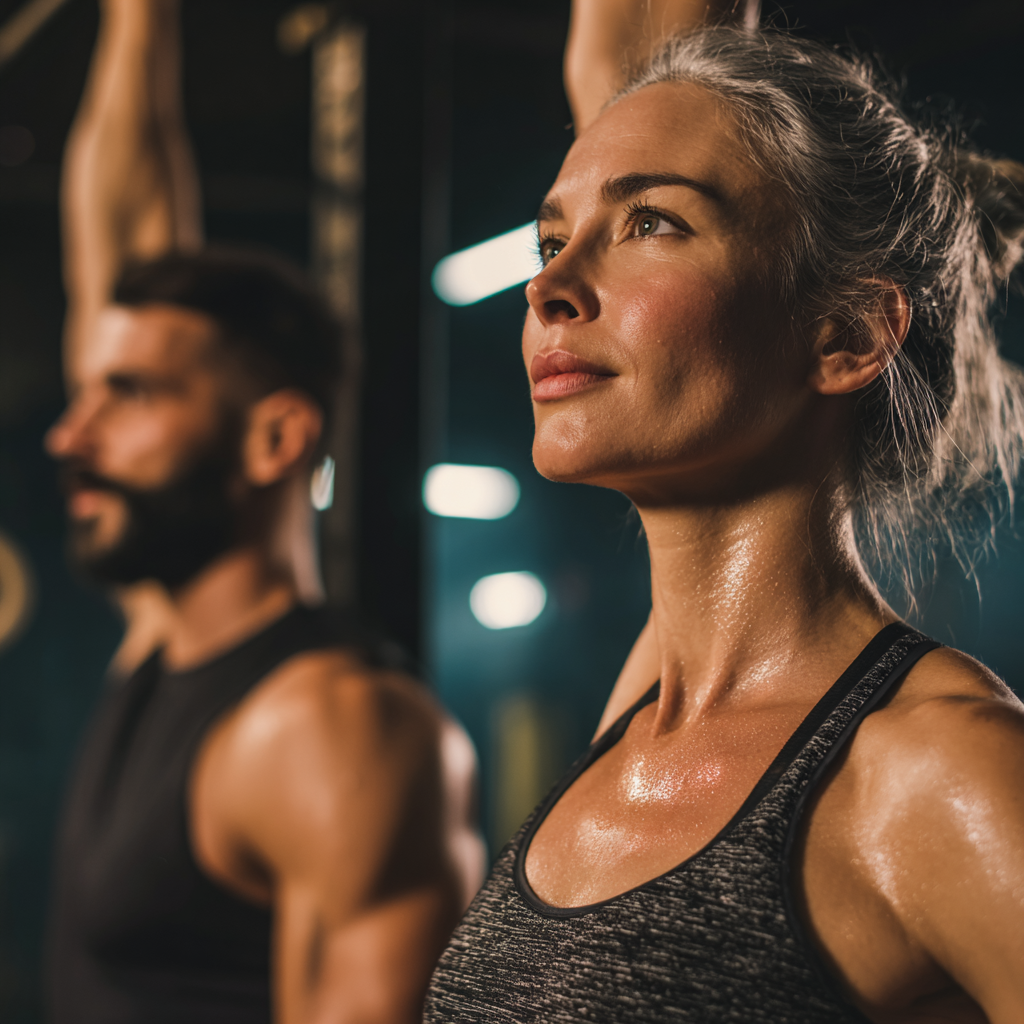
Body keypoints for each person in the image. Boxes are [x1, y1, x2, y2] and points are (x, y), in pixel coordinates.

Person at [424, 2, 1024, 1022]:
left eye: (650, 222)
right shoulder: (643, 713)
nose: (550, 287)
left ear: (842, 334)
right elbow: (617, 59)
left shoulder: (931, 770)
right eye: (551, 238)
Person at [45, 2, 484, 1022]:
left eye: (130, 396)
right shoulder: (167, 641)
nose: (72, 434)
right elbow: (117, 238)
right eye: (85, 391)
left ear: (276, 440)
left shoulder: (333, 729)